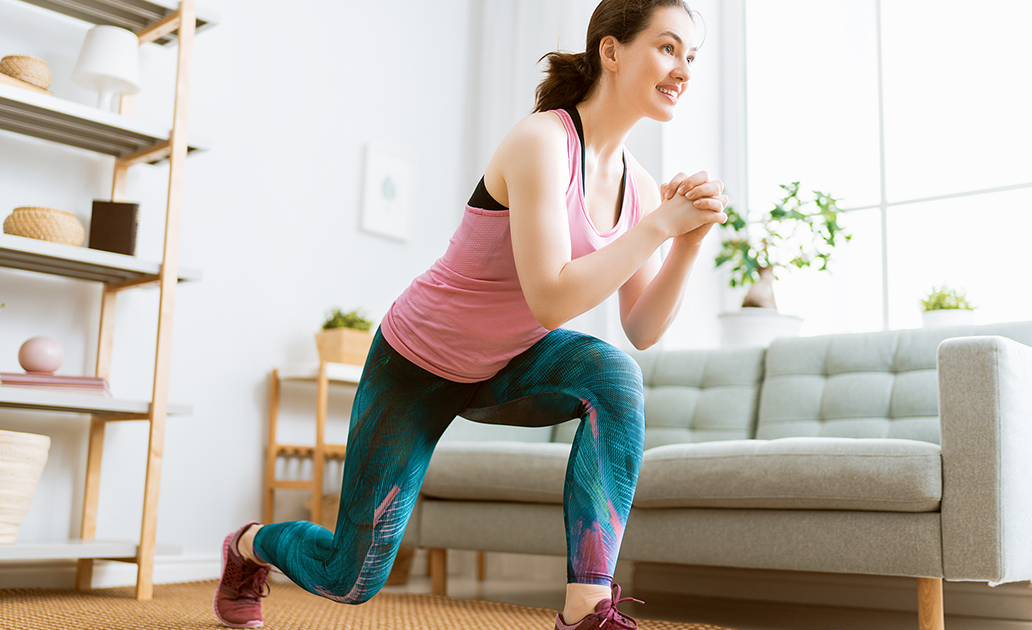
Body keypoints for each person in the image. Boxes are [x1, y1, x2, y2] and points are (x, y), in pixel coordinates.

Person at [214, 0, 726, 628]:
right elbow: (552, 297)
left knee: (616, 375)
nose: (684, 70)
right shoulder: (542, 140)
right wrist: (657, 229)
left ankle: (587, 609)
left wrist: (686, 244)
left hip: (506, 365)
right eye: (668, 48)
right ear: (612, 51)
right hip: (415, 364)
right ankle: (248, 545)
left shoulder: (638, 186)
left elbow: (642, 329)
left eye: (692, 57)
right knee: (350, 579)